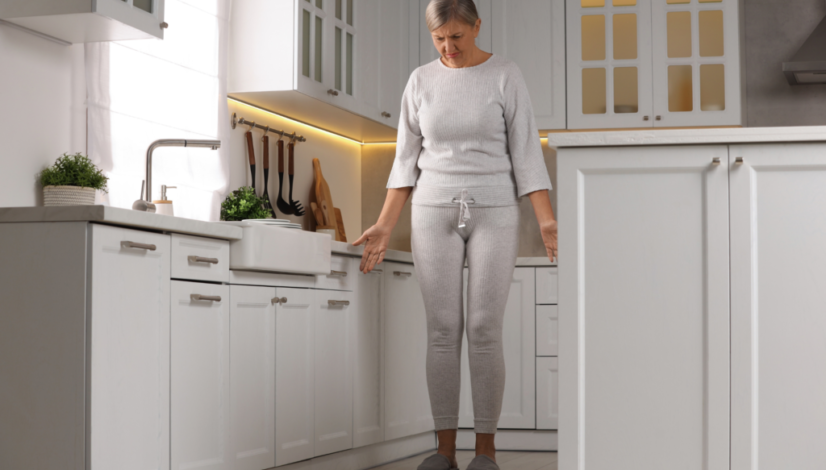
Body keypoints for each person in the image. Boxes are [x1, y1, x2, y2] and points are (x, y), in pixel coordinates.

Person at [352, 1, 558, 469]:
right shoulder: (420, 81)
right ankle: (444, 451)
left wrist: (546, 220)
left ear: (477, 27)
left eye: (458, 38)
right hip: (431, 211)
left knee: (484, 330)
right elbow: (404, 160)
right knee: (443, 331)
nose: (449, 48)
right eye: (440, 39)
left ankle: (485, 452)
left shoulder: (505, 75)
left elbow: (526, 152)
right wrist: (385, 224)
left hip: (495, 210)